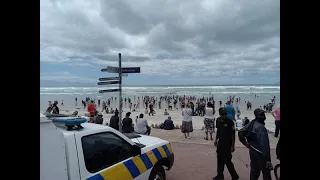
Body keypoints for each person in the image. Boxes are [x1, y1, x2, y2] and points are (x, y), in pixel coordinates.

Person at [238, 108, 273, 180]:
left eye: (263, 114)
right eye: (261, 115)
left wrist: (246, 143)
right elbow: (264, 145)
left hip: (253, 150)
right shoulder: (261, 128)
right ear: (256, 116)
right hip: (261, 154)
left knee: (254, 170)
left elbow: (240, 133)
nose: (263, 116)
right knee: (266, 172)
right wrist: (268, 159)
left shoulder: (252, 123)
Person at [213, 107, 239, 180]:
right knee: (219, 159)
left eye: (225, 114)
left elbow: (233, 135)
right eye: (222, 114)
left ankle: (234, 176)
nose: (224, 116)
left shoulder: (230, 122)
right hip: (220, 143)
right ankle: (220, 175)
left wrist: (233, 146)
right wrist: (216, 140)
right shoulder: (218, 120)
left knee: (227, 160)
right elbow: (218, 130)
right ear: (219, 114)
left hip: (228, 144)